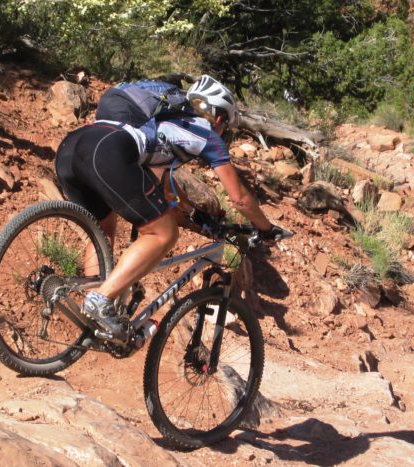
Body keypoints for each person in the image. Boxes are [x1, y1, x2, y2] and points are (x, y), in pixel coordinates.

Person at [54, 75, 288, 344]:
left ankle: (93, 319)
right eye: (227, 127)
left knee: (103, 233)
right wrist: (267, 229)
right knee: (164, 235)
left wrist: (196, 215)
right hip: (107, 152)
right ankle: (100, 300)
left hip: (72, 149)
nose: (224, 133)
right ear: (220, 119)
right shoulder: (207, 134)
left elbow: (163, 192)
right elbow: (240, 199)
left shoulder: (163, 124)